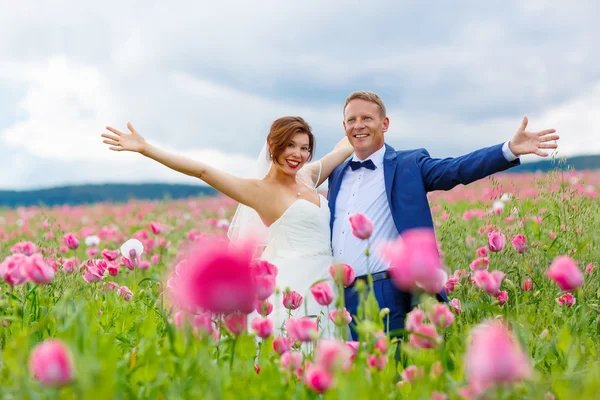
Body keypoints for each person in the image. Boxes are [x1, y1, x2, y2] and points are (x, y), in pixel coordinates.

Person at [327, 91, 559, 340]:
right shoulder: (337, 173)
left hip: (383, 291)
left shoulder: (409, 165)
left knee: (382, 374)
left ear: (385, 124)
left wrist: (509, 149)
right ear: (344, 126)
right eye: (351, 120)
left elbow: (457, 169)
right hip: (335, 297)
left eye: (367, 118)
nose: (358, 126)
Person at [100, 117, 353, 337]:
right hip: (292, 287)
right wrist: (146, 148)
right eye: (290, 145)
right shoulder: (259, 192)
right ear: (272, 145)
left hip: (326, 281)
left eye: (304, 148)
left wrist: (361, 125)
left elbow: (341, 150)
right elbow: (202, 171)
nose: (297, 154)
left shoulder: (307, 177)